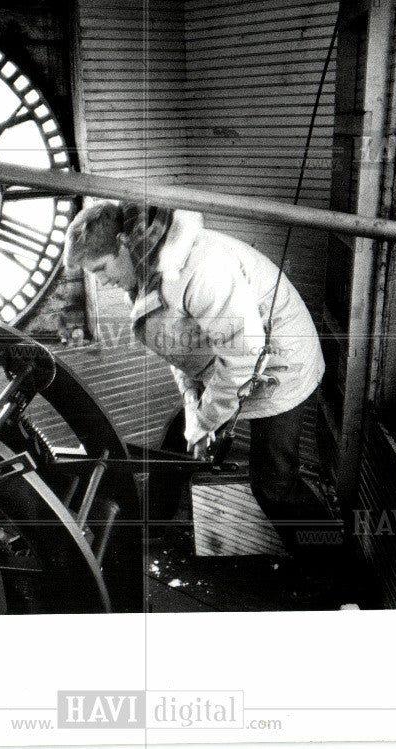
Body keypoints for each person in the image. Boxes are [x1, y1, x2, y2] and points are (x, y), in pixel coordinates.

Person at [63, 200, 330, 557]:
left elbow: (244, 354)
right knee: (180, 436)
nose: (102, 281)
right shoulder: (146, 268)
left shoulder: (200, 268)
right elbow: (179, 348)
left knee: (273, 483)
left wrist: (207, 419)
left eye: (100, 268)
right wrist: (193, 406)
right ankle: (152, 525)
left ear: (125, 243)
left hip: (281, 364)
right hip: (235, 358)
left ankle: (330, 566)